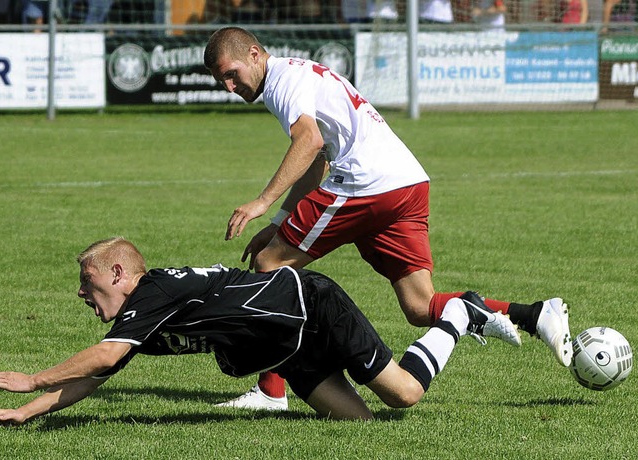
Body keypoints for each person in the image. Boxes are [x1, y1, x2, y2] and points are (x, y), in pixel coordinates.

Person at [203, 26, 573, 410]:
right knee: (421, 306)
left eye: (231, 74)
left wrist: (263, 202)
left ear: (253, 53)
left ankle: (272, 391)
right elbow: (316, 162)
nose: (230, 86)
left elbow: (309, 142)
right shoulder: (297, 73)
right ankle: (534, 315)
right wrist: (280, 222)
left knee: (269, 264)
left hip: (367, 183)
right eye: (221, 81)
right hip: (407, 182)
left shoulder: (282, 80)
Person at [0, 237, 525, 424]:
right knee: (360, 424)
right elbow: (97, 375)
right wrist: (26, 411)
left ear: (119, 273)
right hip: (287, 351)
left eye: (87, 282)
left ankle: (460, 314)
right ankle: (461, 316)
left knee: (404, 396)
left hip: (311, 307)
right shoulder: (142, 315)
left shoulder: (151, 290)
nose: (81, 293)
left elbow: (105, 358)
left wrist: (32, 378)